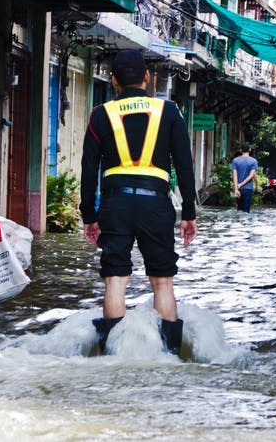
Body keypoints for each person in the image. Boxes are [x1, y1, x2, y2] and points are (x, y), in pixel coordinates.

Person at [80, 49, 197, 356]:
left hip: (115, 205)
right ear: (147, 77)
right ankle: (170, 355)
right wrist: (189, 214)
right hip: (156, 205)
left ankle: (111, 356)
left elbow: (88, 168)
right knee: (162, 282)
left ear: (113, 80)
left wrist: (88, 216)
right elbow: (184, 166)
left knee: (116, 280)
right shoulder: (169, 112)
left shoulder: (100, 114)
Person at [232, 143, 259, 213]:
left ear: (241, 150)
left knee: (239, 210)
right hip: (248, 189)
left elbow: (235, 175)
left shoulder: (235, 161)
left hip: (238, 188)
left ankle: (238, 223)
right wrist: (257, 185)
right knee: (246, 212)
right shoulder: (254, 161)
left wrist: (236, 189)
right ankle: (245, 224)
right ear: (250, 149)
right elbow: (251, 175)